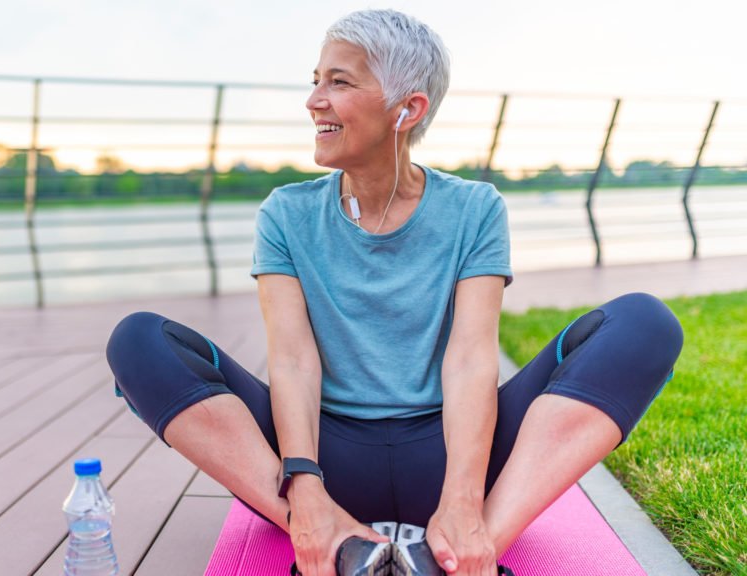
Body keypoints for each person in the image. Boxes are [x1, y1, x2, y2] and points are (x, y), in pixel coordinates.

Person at [106, 9, 683, 576]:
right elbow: (292, 358)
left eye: (339, 81)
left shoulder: (474, 209)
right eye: (315, 82)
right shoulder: (285, 213)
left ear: (407, 108)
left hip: (453, 453)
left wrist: (461, 496)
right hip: (326, 459)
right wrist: (303, 484)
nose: (314, 101)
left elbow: (470, 359)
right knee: (138, 342)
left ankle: (463, 551)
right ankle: (325, 529)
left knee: (644, 323)